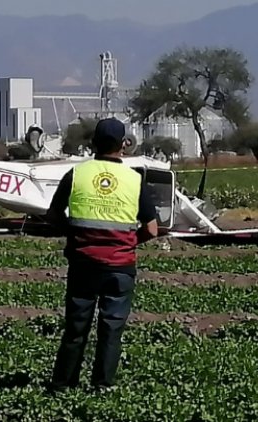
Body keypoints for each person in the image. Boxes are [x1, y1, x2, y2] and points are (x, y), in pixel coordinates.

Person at [45, 117, 159, 390]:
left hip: (83, 264)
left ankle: (62, 385)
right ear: (124, 146)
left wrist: (74, 235)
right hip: (120, 267)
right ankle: (102, 386)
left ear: (93, 143)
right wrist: (129, 242)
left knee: (75, 328)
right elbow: (153, 229)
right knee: (111, 330)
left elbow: (53, 215)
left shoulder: (76, 174)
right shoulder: (134, 179)